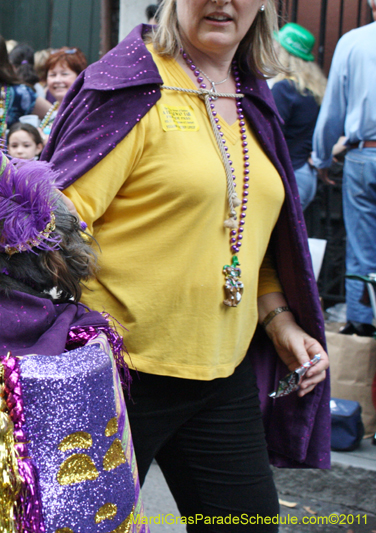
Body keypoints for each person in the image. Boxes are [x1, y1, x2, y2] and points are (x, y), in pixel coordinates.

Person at [42, 0, 331, 528]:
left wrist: (279, 319)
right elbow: (55, 224)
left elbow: (254, 237)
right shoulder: (131, 84)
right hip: (117, 374)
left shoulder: (251, 93)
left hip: (223, 372)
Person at [313, 0, 376, 338]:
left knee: (362, 248)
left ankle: (362, 327)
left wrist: (322, 158)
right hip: (363, 153)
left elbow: (332, 110)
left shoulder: (352, 42)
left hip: (364, 154)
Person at [271, 23, 326, 210]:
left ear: (284, 52)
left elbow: (272, 135)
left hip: (288, 176)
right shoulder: (314, 91)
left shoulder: (284, 89)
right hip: (306, 174)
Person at [39, 47, 87, 139]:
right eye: (53, 75)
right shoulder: (54, 108)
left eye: (64, 74)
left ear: (79, 77)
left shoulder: (81, 111)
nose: (57, 80)